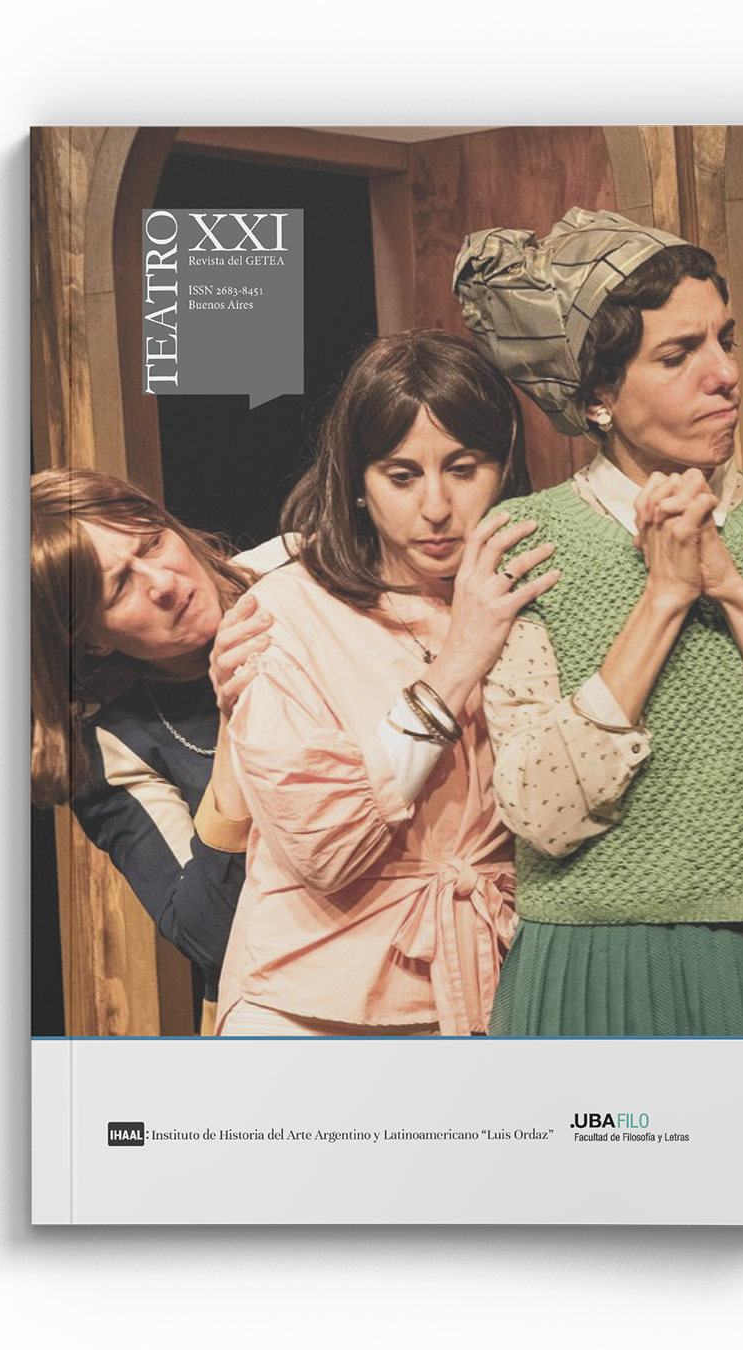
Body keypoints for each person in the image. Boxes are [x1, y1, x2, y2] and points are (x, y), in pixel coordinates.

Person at [454, 208, 743, 1036]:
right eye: (679, 355)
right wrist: (664, 598)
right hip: (600, 968)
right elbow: (537, 811)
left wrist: (737, 594)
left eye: (725, 340)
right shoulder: (525, 539)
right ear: (599, 397)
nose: (724, 374)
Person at [216, 330, 560, 1036]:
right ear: (358, 483)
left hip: (495, 987)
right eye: (401, 476)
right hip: (314, 1007)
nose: (436, 506)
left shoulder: (536, 596)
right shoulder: (285, 612)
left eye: (463, 468)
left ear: (504, 468)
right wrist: (457, 663)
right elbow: (326, 844)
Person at [30, 468, 282, 1029]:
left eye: (152, 543)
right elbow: (208, 935)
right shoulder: (116, 745)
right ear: (90, 638)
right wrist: (232, 729)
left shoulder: (297, 568)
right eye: (120, 586)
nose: (164, 584)